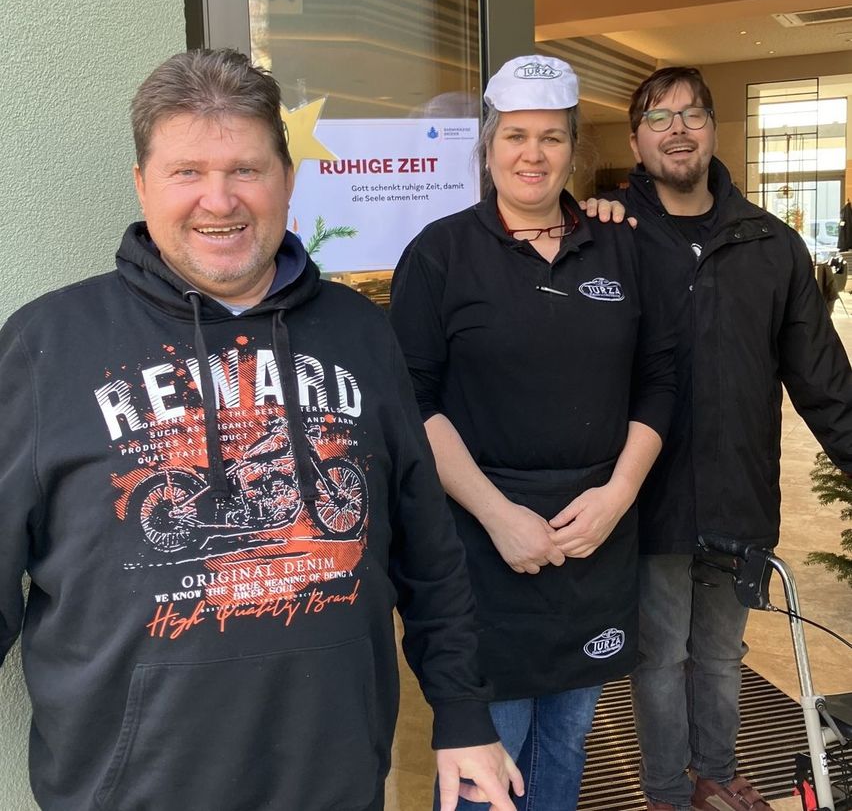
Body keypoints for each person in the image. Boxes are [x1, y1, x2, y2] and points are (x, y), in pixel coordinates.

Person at [0, 48, 523, 811]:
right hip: (126, 791)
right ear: (143, 184)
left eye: (246, 169)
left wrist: (463, 714)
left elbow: (427, 546)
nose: (220, 200)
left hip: (335, 777)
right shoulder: (48, 342)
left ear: (287, 179)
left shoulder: (359, 332)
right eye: (187, 172)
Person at [389, 55, 675, 810]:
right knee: (492, 758)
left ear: (574, 147)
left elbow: (661, 382)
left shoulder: (623, 246)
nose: (532, 154)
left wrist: (616, 497)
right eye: (515, 135)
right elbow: (413, 402)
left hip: (595, 535)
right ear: (488, 147)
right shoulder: (440, 254)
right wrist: (495, 514)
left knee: (568, 742)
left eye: (551, 137)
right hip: (485, 540)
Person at [613, 66, 852, 811]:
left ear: (714, 130)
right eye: (659, 116)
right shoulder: (607, 236)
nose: (677, 128)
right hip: (645, 496)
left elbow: (822, 376)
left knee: (719, 653)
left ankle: (715, 771)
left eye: (691, 113)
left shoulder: (771, 245)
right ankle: (663, 791)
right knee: (659, 656)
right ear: (636, 139)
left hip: (737, 489)